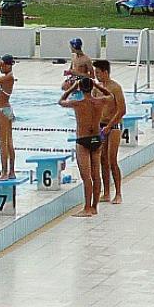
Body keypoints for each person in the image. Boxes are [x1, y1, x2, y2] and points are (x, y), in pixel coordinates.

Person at [59, 75, 111, 218]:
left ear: (80, 88)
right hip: (96, 139)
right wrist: (98, 86)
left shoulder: (77, 103)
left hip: (83, 140)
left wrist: (71, 88)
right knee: (96, 175)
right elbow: (110, 96)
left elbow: (61, 101)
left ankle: (87, 208)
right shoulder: (99, 102)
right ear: (92, 87)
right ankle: (94, 207)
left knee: (86, 177)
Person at [94, 59, 125, 204]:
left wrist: (109, 126)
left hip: (114, 127)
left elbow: (122, 110)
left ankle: (118, 193)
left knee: (112, 160)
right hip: (101, 126)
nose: (96, 75)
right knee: (102, 160)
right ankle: (106, 193)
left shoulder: (115, 88)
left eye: (98, 72)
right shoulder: (97, 88)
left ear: (105, 72)